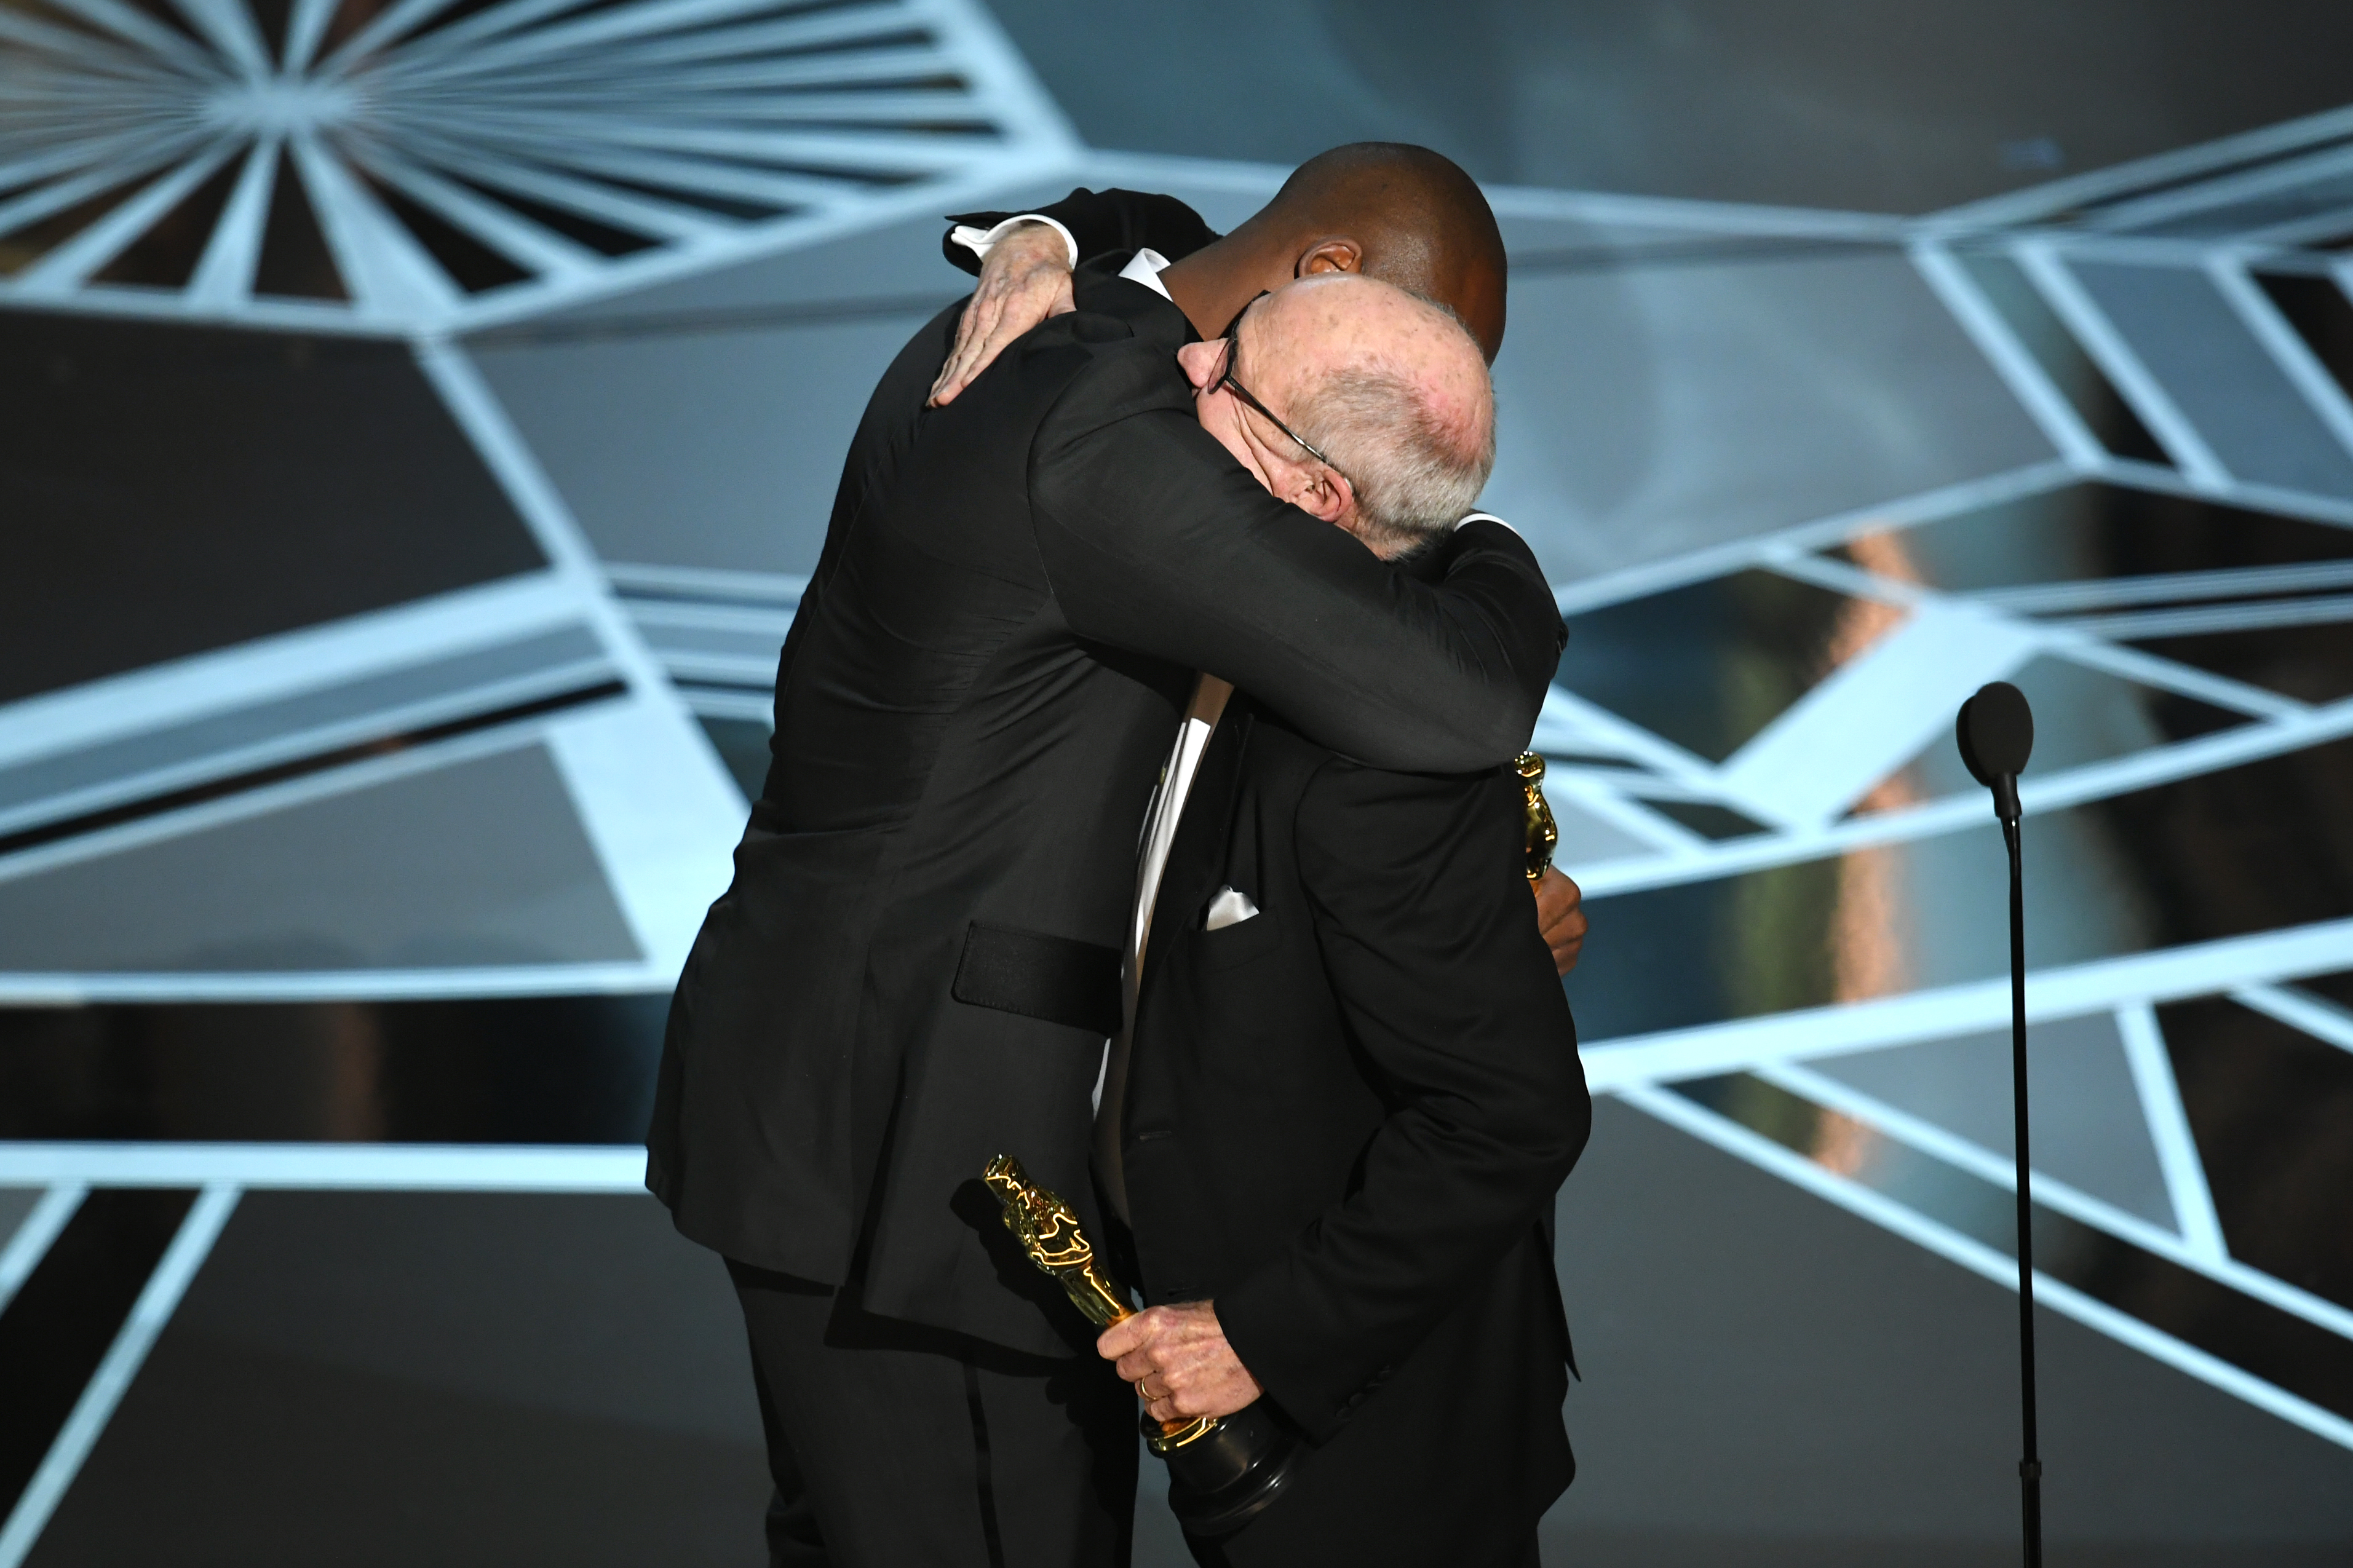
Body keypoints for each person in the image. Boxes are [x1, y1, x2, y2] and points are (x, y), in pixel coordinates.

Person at [646, 145, 1571, 1568]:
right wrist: (1468, 519)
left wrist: (1035, 228)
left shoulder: (1096, 318)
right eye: (1394, 367)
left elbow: (1152, 226)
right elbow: (1459, 697)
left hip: (824, 1084)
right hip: (921, 1152)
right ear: (1321, 279)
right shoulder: (1112, 442)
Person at [1090, 282, 1591, 1567]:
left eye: (1231, 372)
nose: (1190, 359)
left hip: (1370, 1439)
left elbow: (1510, 1114)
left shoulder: (1376, 766)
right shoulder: (1303, 607)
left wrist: (1261, 1336)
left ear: (1317, 495)